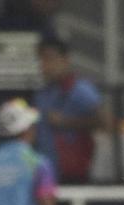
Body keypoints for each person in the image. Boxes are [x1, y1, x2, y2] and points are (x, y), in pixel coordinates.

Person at [34, 37, 104, 184]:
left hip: (72, 172)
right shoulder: (42, 93)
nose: (45, 66)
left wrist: (66, 122)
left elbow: (104, 121)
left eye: (50, 59)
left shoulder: (81, 90)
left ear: (65, 60)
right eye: (41, 60)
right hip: (46, 171)